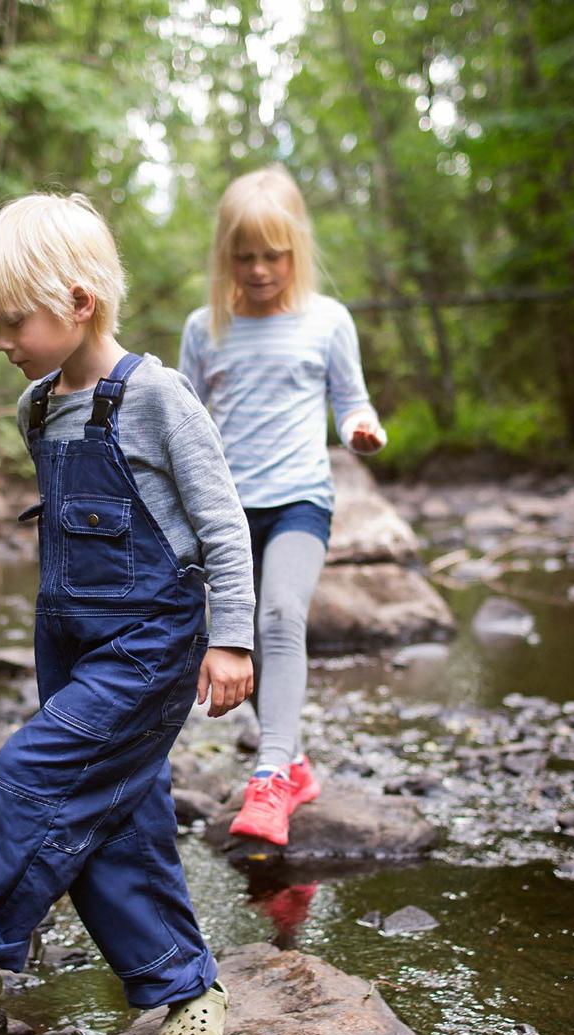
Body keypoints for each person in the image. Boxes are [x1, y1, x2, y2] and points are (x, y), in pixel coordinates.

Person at [0, 192, 256, 1035]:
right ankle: (187, 984)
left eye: (12, 323)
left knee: (26, 776)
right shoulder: (37, 407)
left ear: (79, 303)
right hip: (67, 637)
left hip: (151, 640)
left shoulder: (157, 398)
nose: (1, 343)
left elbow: (222, 523)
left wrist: (232, 639)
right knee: (117, 818)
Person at [179, 163, 387, 848]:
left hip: (301, 500)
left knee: (279, 616)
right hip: (227, 516)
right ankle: (292, 758)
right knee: (239, 641)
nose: (261, 269)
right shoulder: (206, 328)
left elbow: (350, 397)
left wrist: (360, 427)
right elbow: (183, 420)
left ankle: (270, 776)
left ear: (296, 250)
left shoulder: (327, 321)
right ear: (226, 257)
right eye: (246, 257)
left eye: (274, 256)